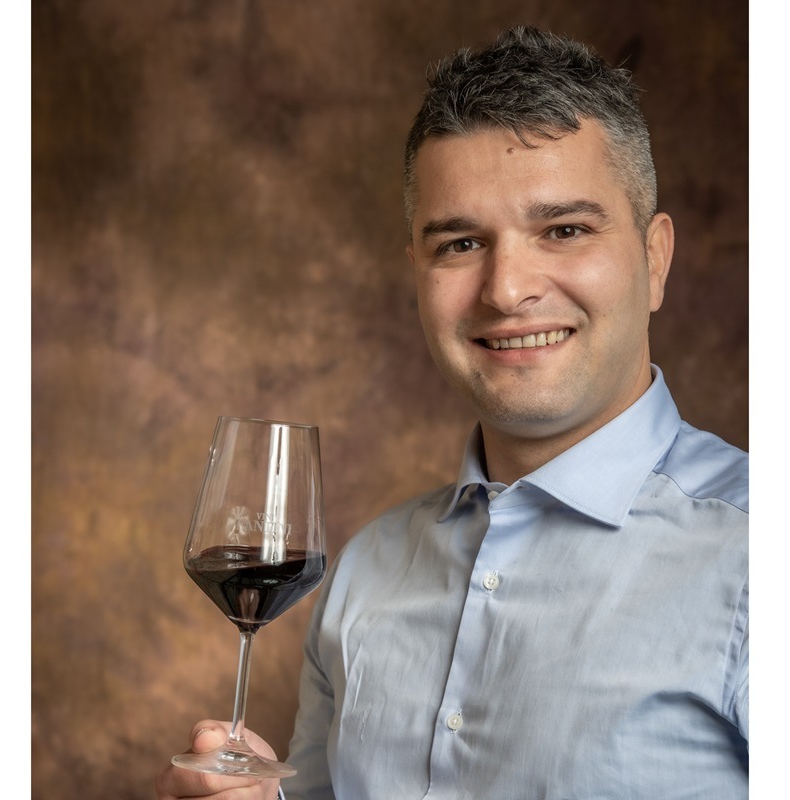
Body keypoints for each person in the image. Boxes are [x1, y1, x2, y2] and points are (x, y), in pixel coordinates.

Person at [156, 25, 748, 800]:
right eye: (461, 244)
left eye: (564, 230)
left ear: (655, 257)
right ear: (418, 273)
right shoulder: (366, 571)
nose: (507, 289)